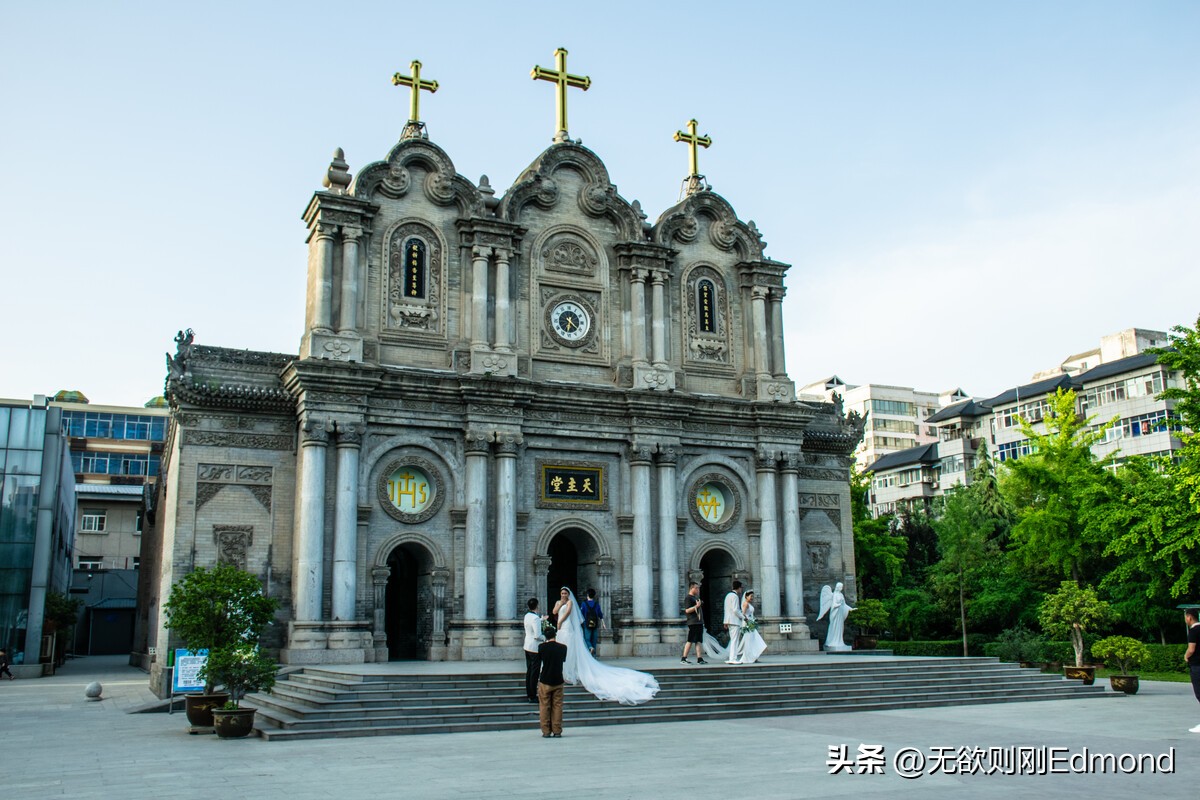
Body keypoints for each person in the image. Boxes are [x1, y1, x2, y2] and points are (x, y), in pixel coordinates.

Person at [553, 586, 659, 705]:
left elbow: (572, 614)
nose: (563, 595)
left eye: (565, 593)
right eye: (562, 593)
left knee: (573, 648)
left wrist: (561, 622)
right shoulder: (560, 602)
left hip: (566, 627)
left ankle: (572, 669)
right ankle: (578, 661)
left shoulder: (572, 602)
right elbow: (554, 612)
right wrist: (560, 604)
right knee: (585, 641)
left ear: (568, 594)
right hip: (569, 628)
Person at [537, 623, 568, 738]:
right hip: (558, 679)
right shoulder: (563, 647)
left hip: (545, 679)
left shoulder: (541, 647)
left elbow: (540, 660)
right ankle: (557, 730)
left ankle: (545, 731)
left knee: (544, 706)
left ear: (545, 636)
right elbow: (563, 660)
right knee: (557, 706)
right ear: (555, 635)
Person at [817, 582, 854, 652]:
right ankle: (833, 641)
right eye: (841, 587)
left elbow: (845, 604)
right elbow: (833, 604)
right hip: (835, 612)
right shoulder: (834, 595)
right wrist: (838, 604)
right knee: (834, 627)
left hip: (840, 613)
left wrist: (850, 608)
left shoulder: (841, 595)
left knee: (840, 627)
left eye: (842, 587)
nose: (841, 588)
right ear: (837, 587)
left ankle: (840, 642)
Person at [523, 597, 545, 703]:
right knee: (535, 673)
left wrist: (541, 620)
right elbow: (537, 635)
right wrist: (545, 638)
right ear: (537, 606)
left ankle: (529, 693)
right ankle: (532, 695)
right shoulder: (535, 618)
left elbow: (531, 624)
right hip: (534, 647)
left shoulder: (527, 616)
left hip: (527, 645)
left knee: (529, 670)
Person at [680, 583, 707, 664]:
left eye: (698, 588)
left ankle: (699, 658)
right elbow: (687, 610)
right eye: (696, 588)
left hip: (698, 622)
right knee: (690, 640)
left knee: (698, 641)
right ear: (692, 588)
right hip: (693, 622)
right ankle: (684, 658)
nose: (698, 590)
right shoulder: (688, 598)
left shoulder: (695, 598)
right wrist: (696, 606)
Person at [740, 590, 768, 664]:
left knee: (753, 641)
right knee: (750, 641)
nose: (752, 598)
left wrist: (754, 620)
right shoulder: (745, 604)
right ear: (746, 596)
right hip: (748, 624)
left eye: (753, 596)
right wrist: (748, 622)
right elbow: (743, 614)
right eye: (751, 596)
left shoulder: (749, 604)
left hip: (751, 623)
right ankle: (748, 658)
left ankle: (754, 657)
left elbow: (750, 614)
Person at [723, 580, 746, 664]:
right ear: (738, 588)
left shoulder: (728, 595)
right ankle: (733, 658)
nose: (741, 590)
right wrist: (744, 617)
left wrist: (725, 621)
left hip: (729, 620)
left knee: (733, 640)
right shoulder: (735, 596)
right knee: (735, 640)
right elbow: (736, 610)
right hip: (734, 621)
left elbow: (726, 610)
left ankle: (731, 657)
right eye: (741, 588)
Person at [578, 588, 605, 657]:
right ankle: (594, 657)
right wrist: (603, 624)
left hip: (587, 624)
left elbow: (581, 615)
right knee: (594, 640)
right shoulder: (596, 604)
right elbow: (600, 614)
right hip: (595, 624)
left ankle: (590, 648)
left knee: (587, 639)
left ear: (587, 595)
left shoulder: (584, 604)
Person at [1185, 608, 1200, 733]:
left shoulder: (1193, 631)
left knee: (1199, 693)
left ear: (1189, 617)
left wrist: (1186, 656)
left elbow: (1191, 649)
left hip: (1197, 666)